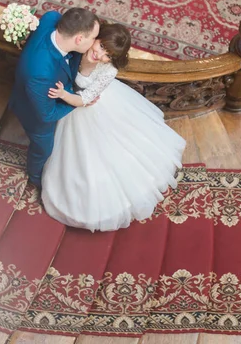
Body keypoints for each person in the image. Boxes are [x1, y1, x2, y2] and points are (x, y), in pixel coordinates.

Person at [42, 23, 186, 232]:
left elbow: (86, 98)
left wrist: (64, 95)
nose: (99, 54)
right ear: (96, 38)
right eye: (101, 46)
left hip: (86, 105)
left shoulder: (109, 70)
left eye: (107, 54)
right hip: (73, 100)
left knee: (99, 152)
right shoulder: (84, 45)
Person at [9, 8, 100, 189]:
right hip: (35, 114)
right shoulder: (40, 74)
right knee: (43, 149)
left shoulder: (52, 18)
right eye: (93, 38)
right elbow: (47, 115)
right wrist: (80, 101)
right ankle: (35, 178)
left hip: (49, 84)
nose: (95, 43)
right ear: (79, 39)